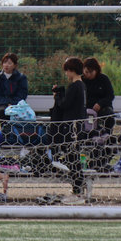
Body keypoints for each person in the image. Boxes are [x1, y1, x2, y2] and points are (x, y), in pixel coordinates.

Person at [51, 57, 86, 203]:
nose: (66, 73)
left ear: (71, 70)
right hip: (78, 125)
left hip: (72, 127)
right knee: (73, 158)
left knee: (73, 159)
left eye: (67, 70)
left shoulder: (75, 86)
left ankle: (77, 191)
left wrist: (57, 97)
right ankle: (78, 189)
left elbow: (65, 104)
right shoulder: (82, 86)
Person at [0, 52, 29, 119]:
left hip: (17, 105)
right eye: (5, 62)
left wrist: (12, 104)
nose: (6, 65)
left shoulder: (21, 78)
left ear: (15, 65)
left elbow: (22, 94)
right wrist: (7, 103)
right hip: (2, 105)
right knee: (3, 111)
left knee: (16, 112)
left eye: (9, 63)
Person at [81, 57, 115, 131]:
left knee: (108, 113)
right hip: (87, 110)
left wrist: (100, 103)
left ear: (96, 70)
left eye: (91, 72)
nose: (88, 75)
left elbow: (110, 96)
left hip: (102, 109)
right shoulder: (81, 80)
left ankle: (107, 132)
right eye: (86, 72)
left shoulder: (103, 79)